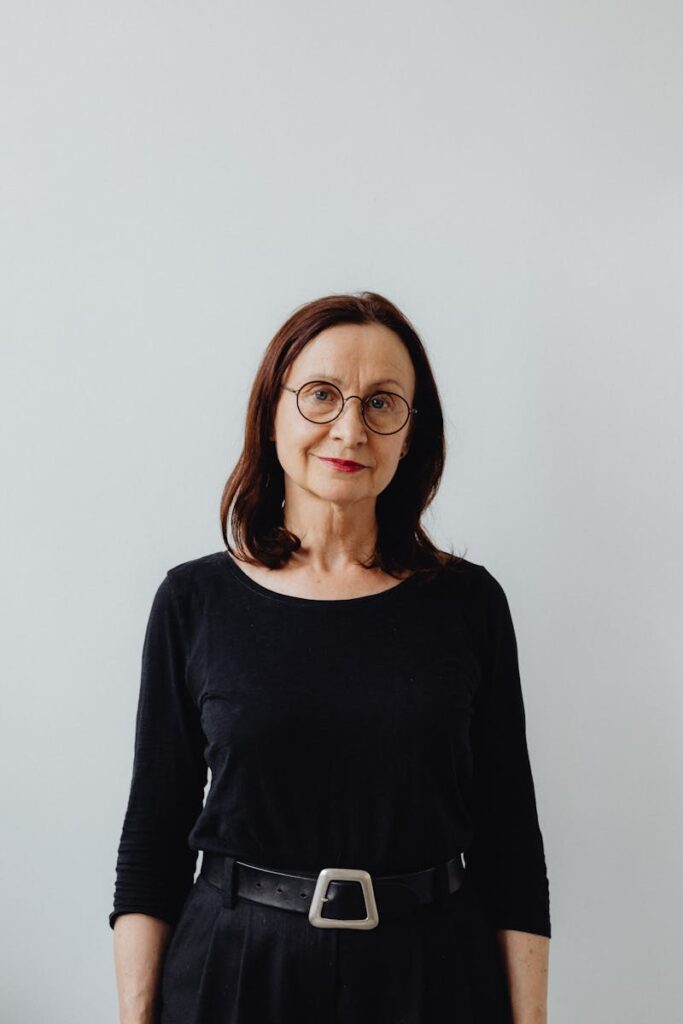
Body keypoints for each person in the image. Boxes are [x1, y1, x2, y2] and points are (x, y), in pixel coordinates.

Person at [109, 291, 551, 1024]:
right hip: (236, 974)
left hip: (433, 976)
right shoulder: (194, 601)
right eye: (320, 394)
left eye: (381, 403)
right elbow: (152, 839)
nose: (349, 428)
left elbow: (510, 841)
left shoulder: (469, 603)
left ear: (411, 433)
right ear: (272, 412)